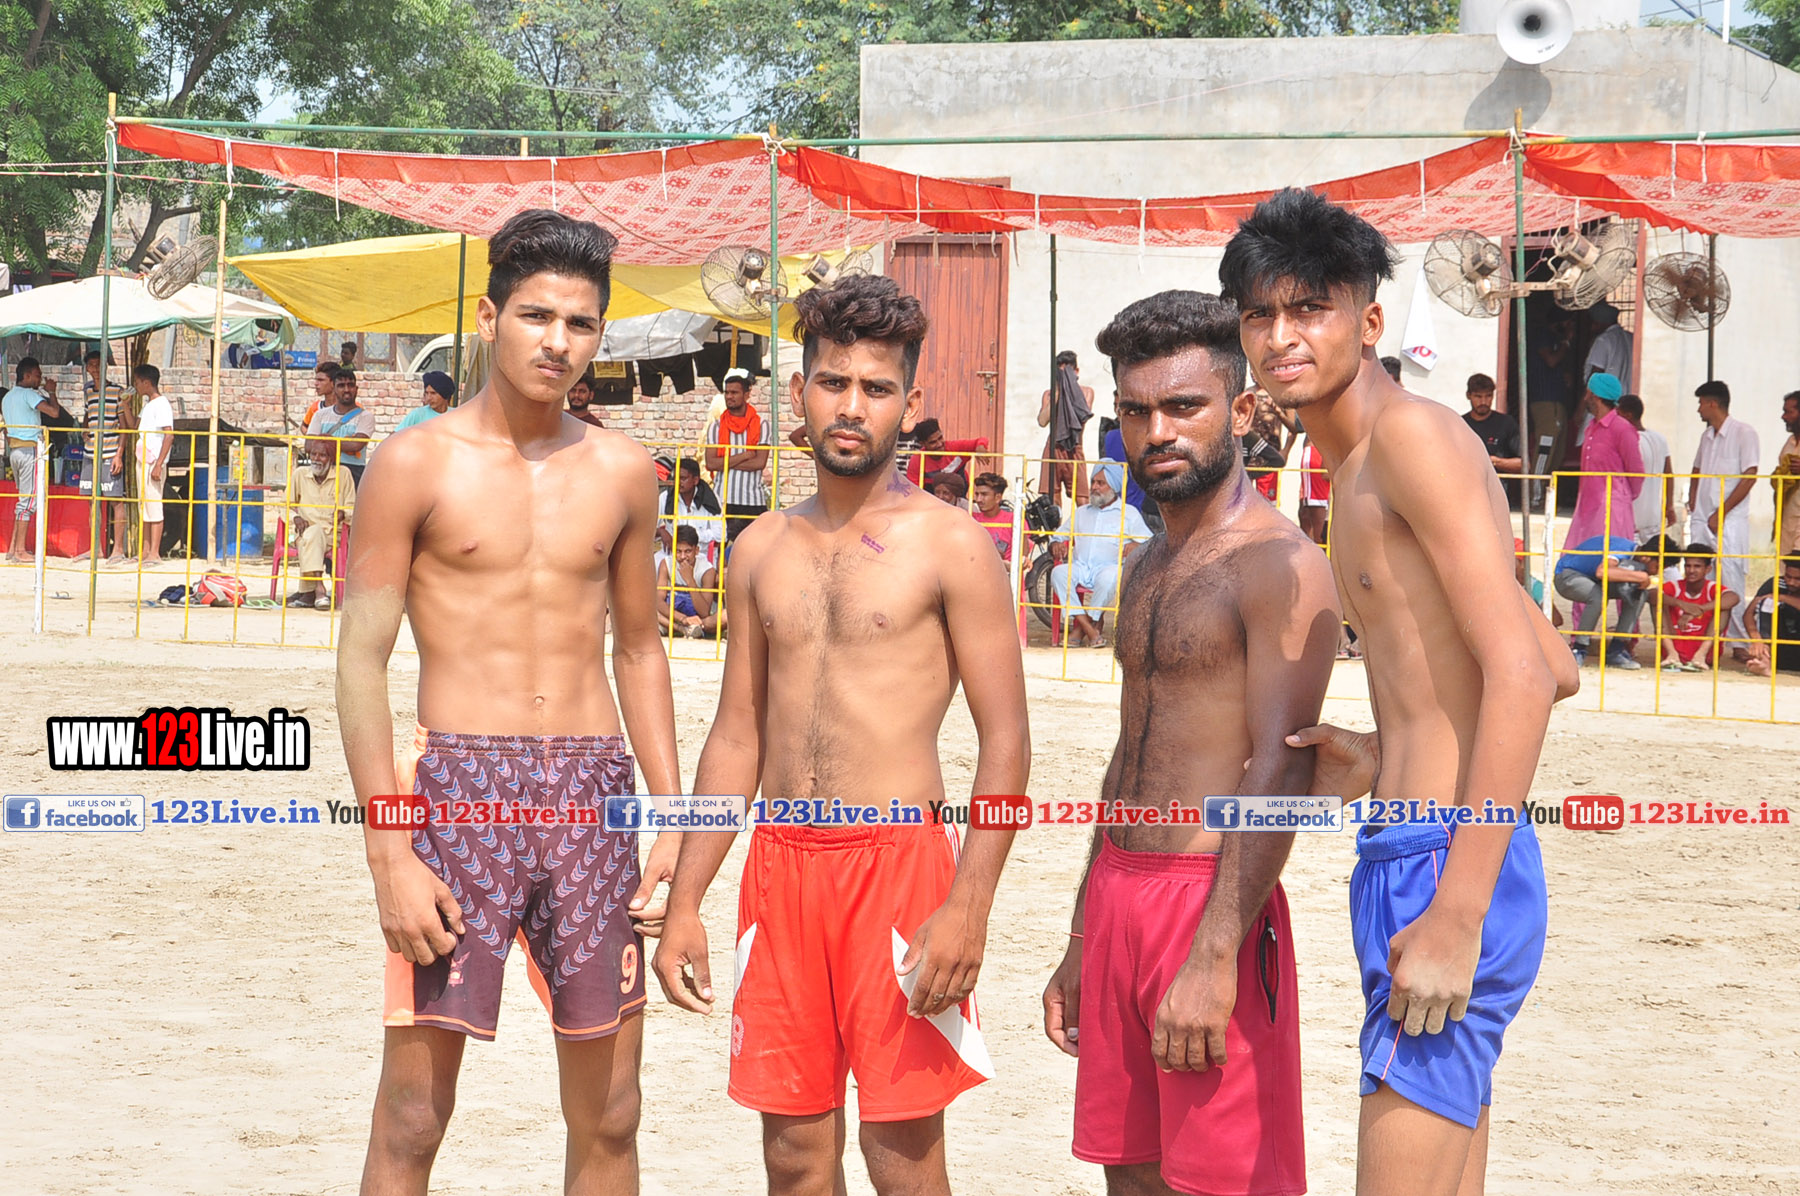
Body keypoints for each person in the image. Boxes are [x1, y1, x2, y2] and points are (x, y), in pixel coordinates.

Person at [1220, 188, 1575, 1196]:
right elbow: (1553, 658)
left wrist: (1459, 910)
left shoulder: (1410, 440)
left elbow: (1521, 677)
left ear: (1370, 321)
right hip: (1414, 846)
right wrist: (1384, 753)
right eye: (1260, 313)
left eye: (1310, 308)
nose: (1282, 336)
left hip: (1448, 863)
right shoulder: (1356, 466)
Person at [652, 274, 1029, 1196]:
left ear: (908, 401)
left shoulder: (952, 543)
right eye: (833, 383)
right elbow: (737, 734)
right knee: (792, 1156)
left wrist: (969, 906)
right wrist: (689, 896)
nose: (852, 407)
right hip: (780, 869)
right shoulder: (759, 548)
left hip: (900, 866)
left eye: (876, 387)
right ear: (800, 391)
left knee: (902, 1155)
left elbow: (1007, 742)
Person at [337, 210, 681, 1195]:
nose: (556, 341)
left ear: (599, 335)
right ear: (490, 318)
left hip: (592, 794)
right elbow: (360, 658)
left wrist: (670, 815)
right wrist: (389, 851)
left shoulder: (624, 472)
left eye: (580, 323)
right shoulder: (414, 462)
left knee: (612, 1110)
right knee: (414, 1110)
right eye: (536, 315)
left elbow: (640, 648)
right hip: (458, 787)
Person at [1042, 290, 1337, 1196]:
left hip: (1213, 899)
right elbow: (1129, 754)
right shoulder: (1146, 563)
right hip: (1121, 894)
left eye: (1183, 406)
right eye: (1136, 412)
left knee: (1220, 1184)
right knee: (1128, 1176)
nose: (1157, 431)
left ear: (1241, 412)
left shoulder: (1278, 563)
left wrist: (1214, 955)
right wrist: (1084, 929)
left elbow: (1281, 766)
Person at [1686, 380, 1759, 652]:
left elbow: (1750, 475)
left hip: (1730, 521)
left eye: (1701, 403)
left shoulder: (1744, 433)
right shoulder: (1706, 436)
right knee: (1701, 577)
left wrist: (1722, 512)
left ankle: (1739, 643)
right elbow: (1696, 469)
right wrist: (1694, 500)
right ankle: (1703, 639)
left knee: (1731, 578)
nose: (1699, 409)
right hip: (1702, 518)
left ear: (1712, 403)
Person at [1050, 461, 1154, 649]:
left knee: (1112, 576)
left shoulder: (1128, 513)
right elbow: (1057, 536)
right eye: (1093, 482)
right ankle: (1090, 628)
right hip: (1081, 567)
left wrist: (1136, 545)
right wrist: (1056, 544)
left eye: (1101, 483)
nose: (1094, 487)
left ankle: (1082, 628)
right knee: (1059, 573)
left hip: (1108, 568)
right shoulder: (1081, 512)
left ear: (1113, 487)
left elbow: (1150, 543)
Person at [1562, 372, 1643, 553]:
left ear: (1595, 397)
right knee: (1577, 559)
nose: (1585, 398)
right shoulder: (1592, 427)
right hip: (1586, 505)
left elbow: (1636, 471)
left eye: (1588, 393)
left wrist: (1621, 496)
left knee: (1608, 559)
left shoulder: (1622, 428)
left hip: (1610, 507)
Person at [1553, 532, 1651, 670]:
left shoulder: (1634, 560)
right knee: (1598, 597)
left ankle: (1616, 650)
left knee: (1640, 594)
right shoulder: (1622, 549)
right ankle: (1579, 648)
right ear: (1646, 558)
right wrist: (1642, 576)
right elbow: (1602, 571)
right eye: (1658, 567)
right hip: (1568, 575)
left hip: (1592, 579)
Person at [4, 357, 68, 561]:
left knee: (23, 499)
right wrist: (51, 392)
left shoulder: (8, 397)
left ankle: (13, 548)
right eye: (38, 375)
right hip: (30, 450)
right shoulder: (29, 395)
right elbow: (54, 413)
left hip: (15, 451)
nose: (40, 379)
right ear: (27, 375)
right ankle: (20, 550)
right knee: (28, 502)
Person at [285, 438, 357, 610]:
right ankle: (319, 589)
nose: (316, 459)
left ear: (331, 458)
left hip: (333, 535)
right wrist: (295, 518)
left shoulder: (343, 474)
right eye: (313, 454)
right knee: (312, 534)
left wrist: (343, 513)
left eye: (322, 455)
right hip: (305, 533)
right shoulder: (300, 474)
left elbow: (352, 507)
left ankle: (308, 592)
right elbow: (284, 505)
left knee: (314, 536)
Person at [77, 350, 134, 563]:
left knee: (115, 501)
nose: (95, 369)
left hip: (110, 452)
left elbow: (124, 427)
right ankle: (96, 549)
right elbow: (88, 414)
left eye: (98, 365)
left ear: (105, 367)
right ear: (87, 368)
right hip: (90, 453)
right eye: (91, 365)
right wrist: (84, 430)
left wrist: (119, 454)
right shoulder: (88, 392)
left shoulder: (117, 392)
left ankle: (118, 550)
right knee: (93, 501)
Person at [705, 366, 773, 542]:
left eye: (734, 392)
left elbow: (759, 463)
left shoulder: (762, 425)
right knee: (720, 550)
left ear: (747, 394)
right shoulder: (716, 426)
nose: (729, 396)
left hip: (752, 500)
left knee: (756, 548)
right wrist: (743, 456)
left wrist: (725, 462)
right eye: (727, 393)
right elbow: (711, 464)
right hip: (722, 498)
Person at [1656, 543, 1735, 672]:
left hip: (1706, 654)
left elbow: (1733, 598)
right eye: (1688, 566)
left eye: (1697, 566)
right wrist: (1681, 604)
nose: (1691, 570)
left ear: (1708, 569)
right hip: (1675, 648)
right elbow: (1651, 595)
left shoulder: (1711, 588)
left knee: (1724, 607)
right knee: (1658, 602)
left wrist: (1698, 610)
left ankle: (1700, 655)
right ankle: (1671, 654)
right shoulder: (1675, 586)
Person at [132, 365, 175, 566]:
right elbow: (134, 426)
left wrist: (159, 464)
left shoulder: (161, 404)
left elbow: (169, 434)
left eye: (137, 382)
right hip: (143, 459)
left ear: (146, 382)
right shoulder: (148, 405)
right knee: (145, 505)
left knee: (154, 505)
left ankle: (154, 553)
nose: (136, 386)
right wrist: (124, 406)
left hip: (153, 460)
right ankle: (146, 550)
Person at [1617, 393, 1674, 546]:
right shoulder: (1660, 438)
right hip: (1653, 517)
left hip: (1632, 518)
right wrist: (1669, 505)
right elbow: (1669, 474)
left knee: (1629, 558)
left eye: (1618, 414)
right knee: (1655, 557)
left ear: (1628, 415)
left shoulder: (1629, 440)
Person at [1039, 349, 1094, 504]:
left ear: (1076, 372)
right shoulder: (1049, 394)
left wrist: (1069, 390)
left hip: (1074, 447)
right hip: (1053, 448)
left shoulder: (1086, 392)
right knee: (1052, 498)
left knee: (1082, 498)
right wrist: (1057, 393)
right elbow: (1042, 421)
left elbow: (1081, 416)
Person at [1461, 372, 1521, 509]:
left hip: (1497, 498)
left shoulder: (1506, 423)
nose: (1483, 402)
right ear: (1468, 395)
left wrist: (1493, 461)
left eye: (1488, 396)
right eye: (1478, 396)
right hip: (1465, 497)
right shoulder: (1460, 423)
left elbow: (1523, 464)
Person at [307, 367, 375, 487]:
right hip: (323, 471)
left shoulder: (365, 416)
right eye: (341, 386)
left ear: (356, 389)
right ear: (334, 389)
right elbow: (308, 445)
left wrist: (322, 442)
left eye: (350, 385)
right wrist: (344, 443)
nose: (346, 390)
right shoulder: (320, 414)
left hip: (353, 472)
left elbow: (356, 445)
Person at [657, 524, 722, 638]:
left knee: (723, 617)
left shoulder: (707, 570)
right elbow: (658, 601)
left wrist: (690, 580)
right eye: (678, 551)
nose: (683, 556)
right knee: (648, 609)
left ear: (696, 550)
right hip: (674, 616)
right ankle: (681, 629)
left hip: (698, 619)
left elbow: (704, 612)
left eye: (688, 551)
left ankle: (691, 629)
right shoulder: (666, 564)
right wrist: (683, 619)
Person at [656, 456, 725, 560]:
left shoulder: (710, 498)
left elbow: (721, 534)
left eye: (683, 478)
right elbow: (648, 528)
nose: (678, 482)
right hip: (671, 555)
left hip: (700, 555)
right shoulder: (666, 497)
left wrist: (691, 537)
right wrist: (662, 532)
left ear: (695, 480)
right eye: (676, 478)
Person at [1745, 556, 1800, 676]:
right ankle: (1765, 661)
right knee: (1768, 602)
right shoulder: (1776, 583)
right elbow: (1749, 613)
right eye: (1788, 577)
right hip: (1781, 647)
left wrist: (1782, 597)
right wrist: (1757, 640)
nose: (1791, 582)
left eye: (1797, 579)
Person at [902, 416, 988, 485]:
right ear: (923, 444)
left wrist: (980, 446)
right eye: (933, 442)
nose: (939, 444)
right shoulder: (917, 460)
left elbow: (981, 440)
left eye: (940, 438)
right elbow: (914, 489)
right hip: (931, 498)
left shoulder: (955, 447)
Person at [1769, 390, 1800, 557]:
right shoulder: (1790, 442)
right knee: (1786, 567)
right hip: (1788, 517)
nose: (1783, 417)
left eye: (1789, 412)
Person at [1584, 302, 1632, 391]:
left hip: (1608, 397)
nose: (1591, 327)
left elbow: (1596, 375)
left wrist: (1586, 398)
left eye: (1593, 322)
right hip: (1627, 396)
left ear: (1599, 322)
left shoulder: (1603, 340)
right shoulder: (1630, 337)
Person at [970, 471, 1014, 562]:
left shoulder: (1013, 520)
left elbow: (1022, 553)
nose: (978, 499)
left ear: (998, 498)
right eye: (977, 494)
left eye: (984, 494)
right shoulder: (971, 519)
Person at [1297, 436, 1330, 544]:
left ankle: (1316, 548)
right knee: (1316, 505)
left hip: (1331, 449)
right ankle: (1315, 549)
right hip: (1319, 449)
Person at [301, 361, 337, 433]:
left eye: (321, 380)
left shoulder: (353, 408)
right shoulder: (315, 408)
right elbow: (304, 426)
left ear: (333, 382)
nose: (316, 383)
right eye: (316, 380)